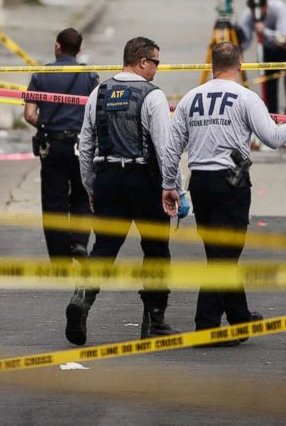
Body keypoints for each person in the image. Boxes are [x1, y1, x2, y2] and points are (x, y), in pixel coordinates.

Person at [162, 42, 286, 345]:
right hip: (230, 185)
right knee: (224, 258)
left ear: (211, 66)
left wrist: (170, 186)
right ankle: (206, 328)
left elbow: (172, 149)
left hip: (200, 184)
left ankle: (239, 319)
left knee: (220, 253)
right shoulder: (246, 98)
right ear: (241, 65)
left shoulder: (190, 99)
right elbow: (273, 138)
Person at [65, 37, 182, 345]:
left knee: (104, 247)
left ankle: (82, 300)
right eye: (155, 62)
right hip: (144, 179)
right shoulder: (152, 96)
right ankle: (154, 319)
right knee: (156, 249)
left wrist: (91, 185)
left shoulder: (98, 92)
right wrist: (173, 188)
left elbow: (86, 144)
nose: (157, 67)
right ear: (142, 62)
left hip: (107, 180)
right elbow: (166, 148)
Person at [24, 28, 99, 261]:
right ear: (80, 50)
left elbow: (29, 114)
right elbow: (97, 112)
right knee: (82, 194)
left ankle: (59, 257)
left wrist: (46, 124)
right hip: (82, 146)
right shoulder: (91, 77)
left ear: (58, 46)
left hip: (52, 145)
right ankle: (78, 241)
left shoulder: (40, 76)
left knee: (54, 200)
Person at [237, 0, 286, 113]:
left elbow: (283, 37)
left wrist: (265, 31)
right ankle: (272, 117)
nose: (255, 14)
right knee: (269, 89)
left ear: (266, 6)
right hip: (267, 51)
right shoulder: (248, 15)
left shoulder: (279, 8)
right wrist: (237, 38)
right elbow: (245, 42)